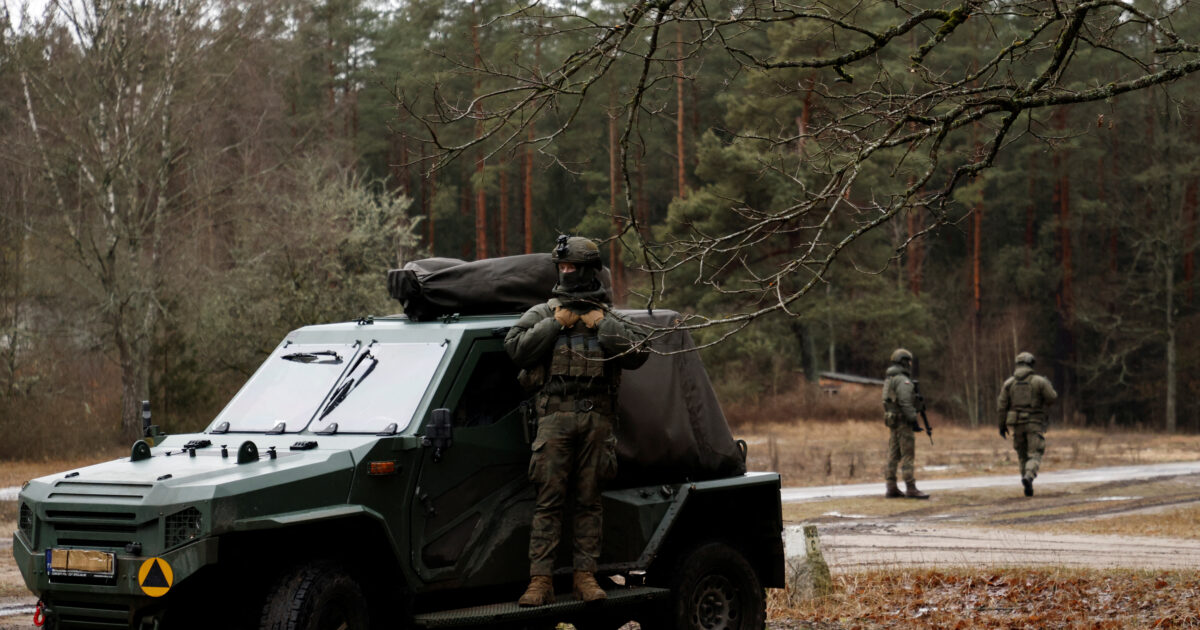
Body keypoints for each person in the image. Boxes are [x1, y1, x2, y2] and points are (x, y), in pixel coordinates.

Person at [504, 235, 648, 606]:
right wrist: (556, 324)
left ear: (587, 270)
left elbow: (638, 352)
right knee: (548, 502)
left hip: (597, 418)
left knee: (589, 502)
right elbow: (515, 348)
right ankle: (540, 581)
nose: (565, 272)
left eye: (571, 267)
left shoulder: (609, 317)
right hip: (554, 417)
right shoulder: (544, 312)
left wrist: (602, 325)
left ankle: (586, 577)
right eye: (561, 267)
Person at [997, 352, 1058, 497]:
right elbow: (1052, 398)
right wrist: (1048, 384)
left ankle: (1026, 484)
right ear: (1031, 364)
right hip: (1034, 423)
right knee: (1035, 453)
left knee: (1022, 456)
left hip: (1017, 425)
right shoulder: (1039, 381)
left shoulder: (1009, 383)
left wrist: (1001, 426)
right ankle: (1029, 477)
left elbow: (1001, 407)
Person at [882, 348, 929, 499]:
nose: (910, 363)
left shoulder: (890, 379)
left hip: (893, 420)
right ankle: (911, 487)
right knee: (908, 454)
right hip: (903, 422)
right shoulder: (902, 380)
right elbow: (905, 403)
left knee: (893, 454)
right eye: (908, 361)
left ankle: (891, 487)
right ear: (903, 361)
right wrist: (914, 420)